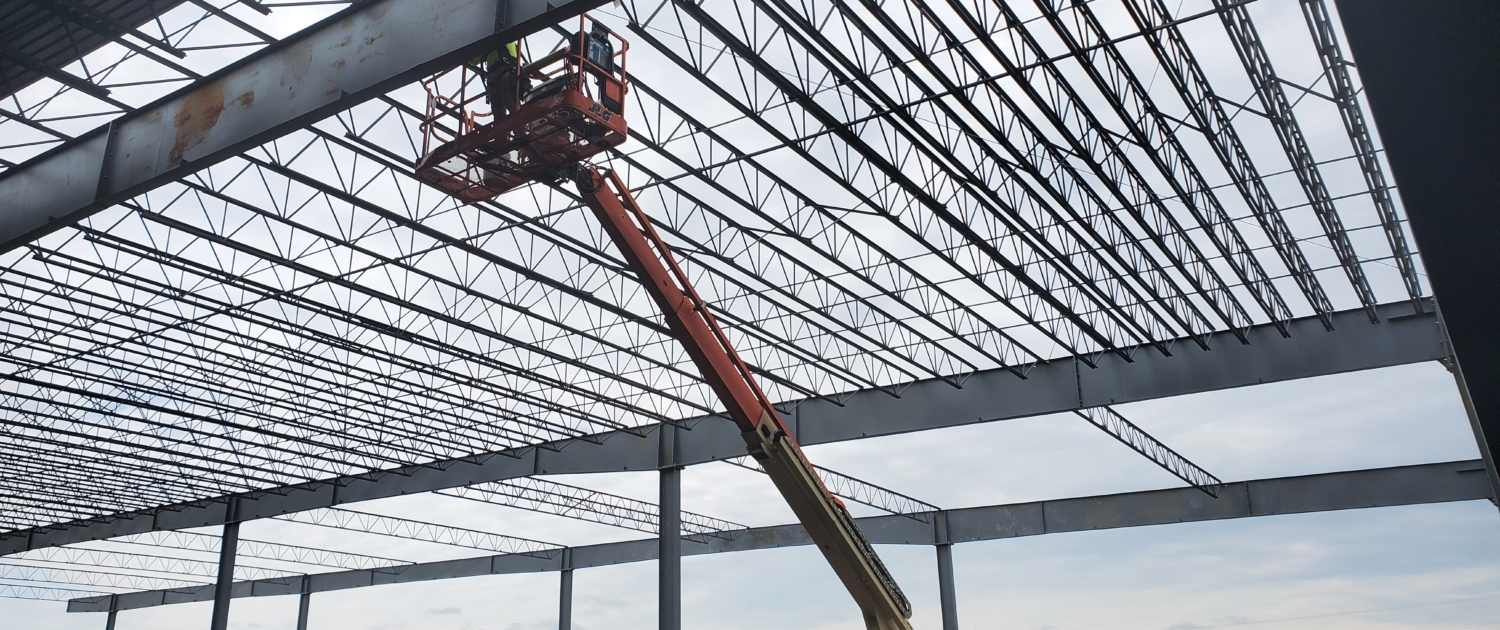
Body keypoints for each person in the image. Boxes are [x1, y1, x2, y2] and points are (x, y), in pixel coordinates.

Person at [472, 41, 520, 116]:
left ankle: (519, 124)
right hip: (494, 75)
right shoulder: (486, 41)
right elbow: (474, 60)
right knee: (499, 111)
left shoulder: (506, 33)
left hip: (506, 68)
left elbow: (474, 60)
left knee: (510, 103)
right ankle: (514, 123)